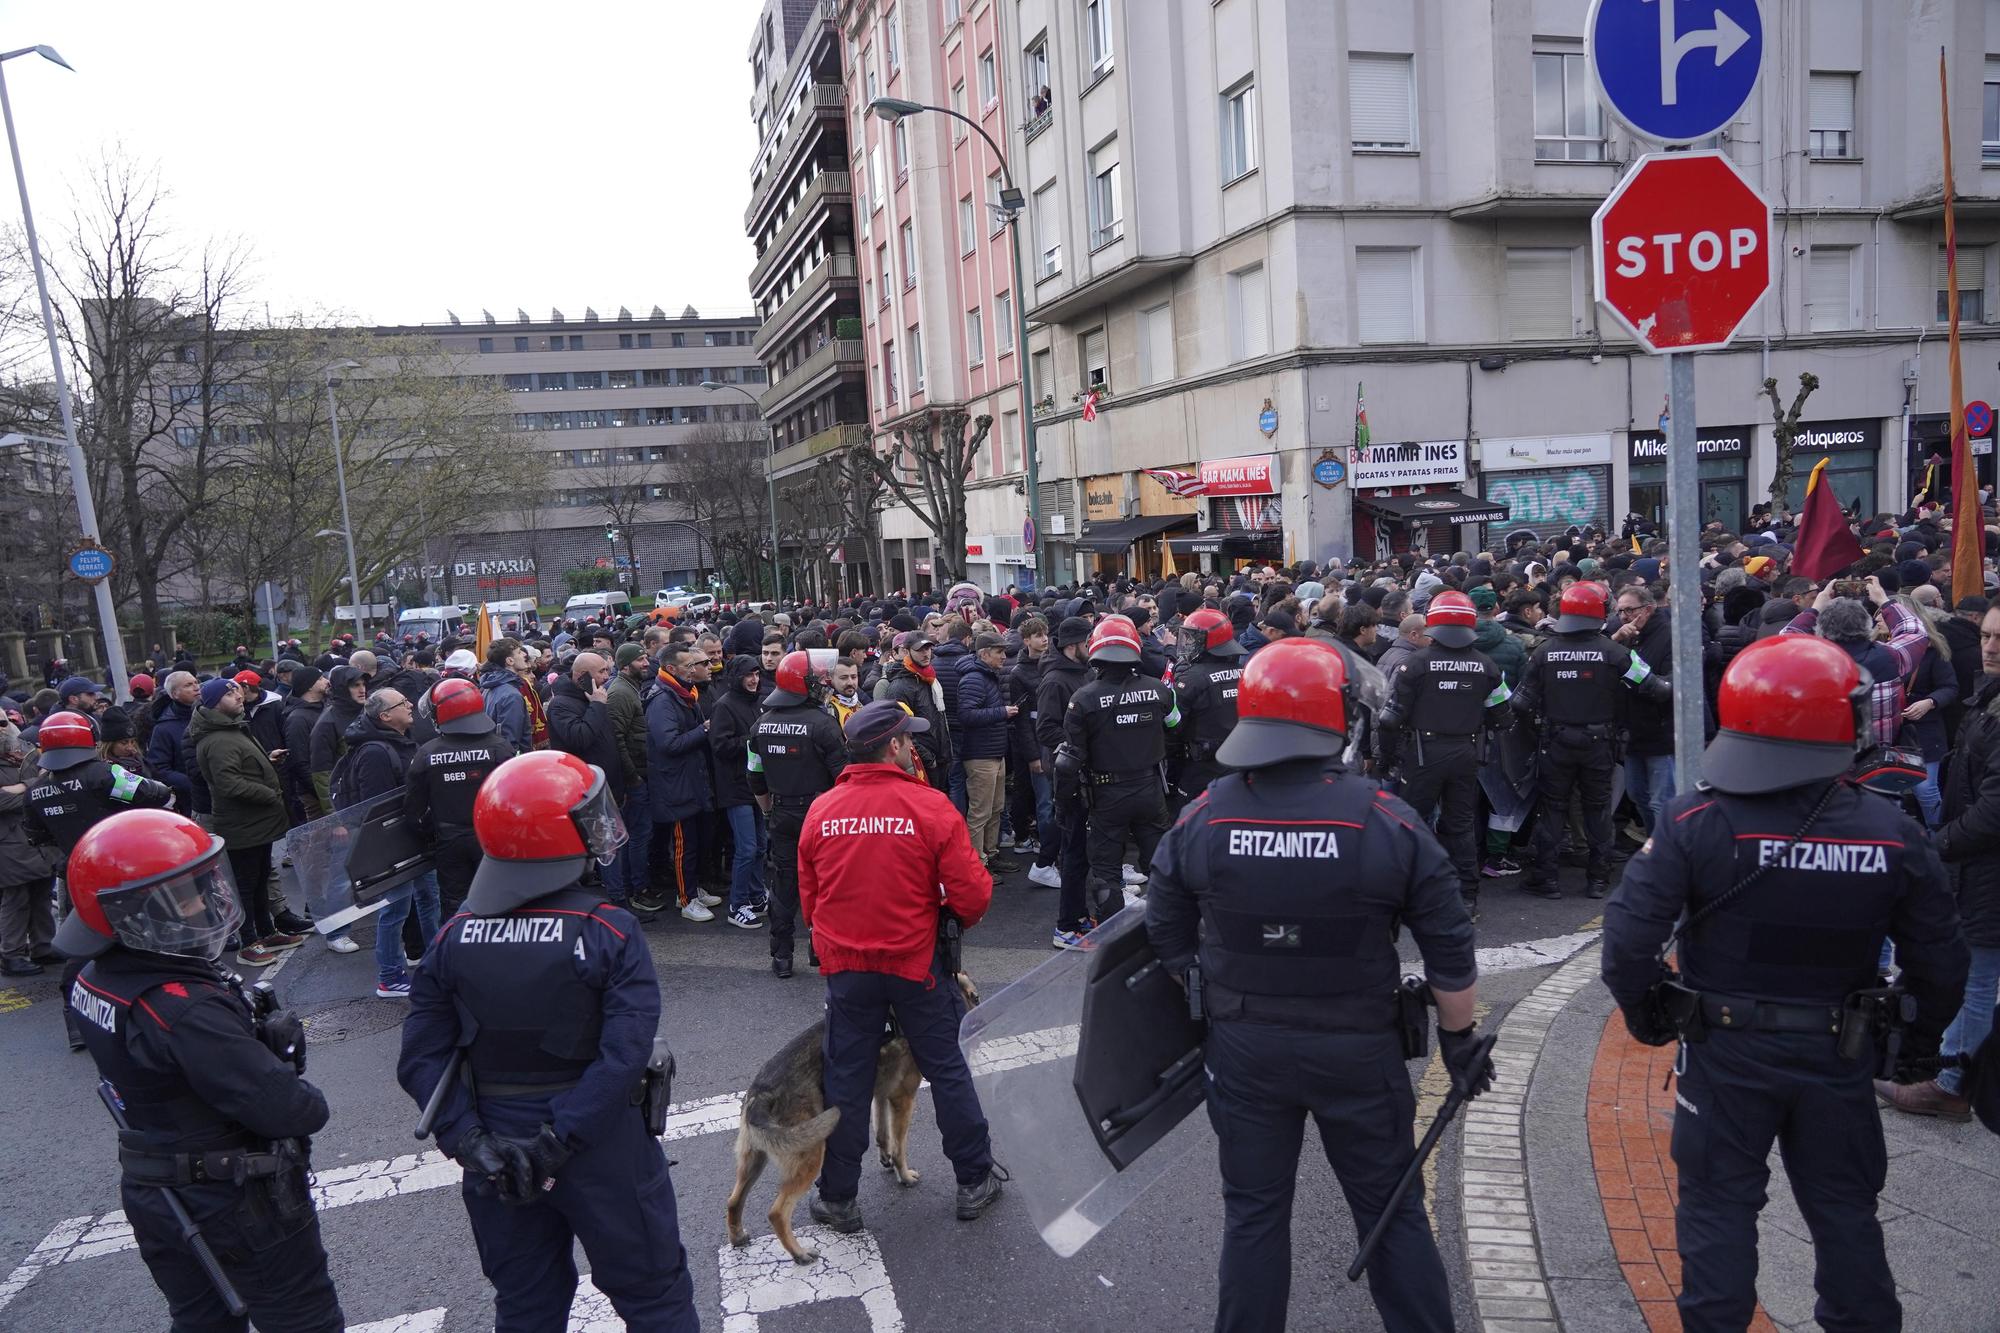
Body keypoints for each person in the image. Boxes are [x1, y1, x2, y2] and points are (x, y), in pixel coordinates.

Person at [1602, 636, 1969, 1333]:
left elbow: (1626, 943)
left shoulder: (1692, 820)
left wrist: (1652, 1014)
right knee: (1846, 1212)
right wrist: (1915, 1047)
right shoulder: (1893, 832)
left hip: (1725, 1053)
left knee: (1717, 1209)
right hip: (1840, 1051)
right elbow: (1943, 960)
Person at [1146, 639, 1488, 1333]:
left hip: (1244, 1048)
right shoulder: (1385, 818)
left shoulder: (1204, 815)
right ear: (1338, 717)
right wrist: (1459, 1041)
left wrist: (1200, 983)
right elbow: (1451, 946)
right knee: (1391, 1214)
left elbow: (1164, 923)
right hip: (1358, 1051)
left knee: (1253, 1216)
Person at [397, 751, 697, 1331]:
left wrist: (467, 1140)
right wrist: (561, 1136)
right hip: (596, 1139)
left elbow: (421, 1056)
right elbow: (624, 1053)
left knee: (526, 1303)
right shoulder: (609, 928)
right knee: (653, 1295)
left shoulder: (454, 935)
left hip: (495, 1139)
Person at [58, 809, 346, 1331]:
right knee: (305, 1318)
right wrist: (272, 1056)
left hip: (155, 1184)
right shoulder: (184, 1007)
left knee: (203, 1319)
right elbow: (294, 1110)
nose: (207, 902)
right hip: (230, 1194)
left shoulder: (95, 978)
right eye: (189, 893)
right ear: (136, 914)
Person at [797, 701, 1004, 1233]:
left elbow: (810, 897)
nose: (913, 746)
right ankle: (974, 1178)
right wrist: (947, 919)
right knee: (947, 1067)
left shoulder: (822, 809)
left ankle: (838, 1196)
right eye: (908, 739)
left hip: (848, 965)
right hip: (917, 961)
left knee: (846, 1077)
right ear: (893, 747)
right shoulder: (929, 806)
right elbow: (973, 894)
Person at [1883, 602, 2000, 1119]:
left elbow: (1994, 809)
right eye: (1990, 635)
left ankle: (1951, 1085)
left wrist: (1942, 842)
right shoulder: (1990, 699)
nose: (1992, 646)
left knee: (1977, 978)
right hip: (1977, 867)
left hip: (1987, 870)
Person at [25, 710, 177, 1048]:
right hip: (122, 871)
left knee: (81, 944)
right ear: (88, 739)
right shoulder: (102, 775)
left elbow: (36, 837)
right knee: (148, 934)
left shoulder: (34, 791)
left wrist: (68, 857)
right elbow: (153, 793)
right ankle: (157, 1007)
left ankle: (76, 1019)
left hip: (76, 877)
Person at [1514, 582, 1669, 902]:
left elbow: (1520, 703)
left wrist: (1538, 730)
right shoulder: (1615, 652)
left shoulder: (1545, 652)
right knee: (1597, 809)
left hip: (1555, 741)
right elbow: (1656, 688)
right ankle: (1598, 879)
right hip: (1599, 742)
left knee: (1553, 809)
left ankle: (1547, 878)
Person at [1376, 590, 1513, 916]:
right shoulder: (1487, 666)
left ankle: (1407, 894)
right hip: (1465, 752)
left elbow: (1390, 719)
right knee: (1461, 826)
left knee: (1410, 823)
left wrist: (1387, 759)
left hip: (1423, 753)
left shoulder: (1415, 665)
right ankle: (1467, 897)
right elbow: (1504, 715)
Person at [1062, 617, 1180, 924]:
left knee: (1106, 872)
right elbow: (1175, 726)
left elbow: (1069, 760)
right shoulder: (1158, 690)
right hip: (1150, 789)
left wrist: (1064, 805)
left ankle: (1112, 939)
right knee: (1159, 864)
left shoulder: (1083, 699)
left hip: (1107, 795)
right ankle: (1165, 924)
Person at [187, 676, 304, 968]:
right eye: (230, 695)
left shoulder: (230, 728)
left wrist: (265, 760)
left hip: (255, 824)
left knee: (261, 878)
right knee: (245, 885)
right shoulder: (216, 739)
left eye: (238, 693)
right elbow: (228, 783)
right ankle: (249, 943)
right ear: (215, 704)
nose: (239, 697)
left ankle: (267, 932)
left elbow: (239, 767)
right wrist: (269, 793)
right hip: (242, 825)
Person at [332, 690, 438, 999]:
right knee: (396, 910)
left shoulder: (400, 740)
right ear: (385, 717)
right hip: (396, 847)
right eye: (401, 704)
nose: (409, 705)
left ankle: (435, 961)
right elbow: (375, 809)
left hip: (413, 840)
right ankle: (389, 977)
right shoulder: (375, 752)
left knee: (429, 899)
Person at [748, 651, 846, 977]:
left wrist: (767, 811)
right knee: (824, 884)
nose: (824, 682)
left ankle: (781, 956)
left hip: (780, 813)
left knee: (783, 884)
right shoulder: (824, 724)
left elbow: (755, 777)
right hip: (820, 815)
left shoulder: (760, 725)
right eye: (817, 678)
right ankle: (820, 949)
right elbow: (844, 777)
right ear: (802, 683)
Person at [404, 678, 515, 921]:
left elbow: (413, 810)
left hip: (449, 840)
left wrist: (429, 835)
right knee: (500, 899)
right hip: (493, 840)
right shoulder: (501, 748)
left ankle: (458, 952)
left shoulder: (427, 753)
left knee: (455, 905)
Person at [644, 642, 719, 922]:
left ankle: (693, 889)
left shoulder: (682, 694)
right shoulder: (663, 699)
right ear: (671, 668)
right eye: (689, 666)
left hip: (690, 780)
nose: (694, 670)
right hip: (675, 785)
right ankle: (685, 899)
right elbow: (669, 743)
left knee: (697, 842)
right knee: (683, 846)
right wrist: (703, 730)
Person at [1037, 618, 1097, 942]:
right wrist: (1080, 743)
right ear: (1073, 645)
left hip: (1085, 774)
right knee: (1072, 852)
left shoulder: (1087, 673)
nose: (1093, 645)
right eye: (1088, 640)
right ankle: (1065, 926)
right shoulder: (1055, 681)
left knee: (1082, 853)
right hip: (1067, 777)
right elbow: (1045, 729)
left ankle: (1079, 914)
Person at [707, 653, 768, 930]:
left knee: (759, 846)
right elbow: (720, 745)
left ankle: (756, 896)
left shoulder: (756, 702)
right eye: (748, 674)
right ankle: (737, 905)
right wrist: (754, 740)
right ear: (737, 677)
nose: (754, 679)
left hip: (754, 785)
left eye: (756, 674)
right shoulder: (725, 706)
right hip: (734, 787)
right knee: (746, 848)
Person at [1611, 585, 1676, 833]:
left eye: (1629, 610)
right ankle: (1654, 842)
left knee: (1662, 801)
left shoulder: (1669, 635)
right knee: (1638, 796)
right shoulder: (1624, 635)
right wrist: (1616, 642)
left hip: (1660, 733)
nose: (1624, 616)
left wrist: (1629, 665)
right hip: (1632, 733)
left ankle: (1667, 854)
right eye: (1620, 611)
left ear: (1648, 609)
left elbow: (1667, 687)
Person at [1170, 607, 1247, 802]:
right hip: (1240, 764)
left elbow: (1173, 726)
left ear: (1207, 641)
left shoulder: (1191, 680)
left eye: (1192, 639)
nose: (1187, 644)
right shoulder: (1245, 672)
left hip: (1202, 769)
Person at [956, 632, 1018, 873]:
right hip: (980, 755)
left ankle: (990, 855)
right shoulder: (974, 679)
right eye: (999, 652)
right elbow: (967, 715)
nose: (1004, 656)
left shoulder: (987, 676)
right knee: (980, 812)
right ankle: (976, 865)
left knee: (995, 808)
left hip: (993, 752)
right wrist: (1002, 712)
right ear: (983, 654)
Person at [0, 720, 57, 976]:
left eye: (5, 722)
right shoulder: (20, 760)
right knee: (17, 898)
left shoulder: (22, 757)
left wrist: (23, 787)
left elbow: (49, 785)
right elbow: (4, 801)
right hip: (10, 841)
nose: (6, 727)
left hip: (33, 838)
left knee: (41, 893)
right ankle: (12, 953)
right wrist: (31, 785)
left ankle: (42, 945)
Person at [603, 643, 654, 915]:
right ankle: (636, 890)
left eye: (646, 657)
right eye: (641, 659)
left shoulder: (630, 688)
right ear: (625, 666)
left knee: (641, 834)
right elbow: (617, 739)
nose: (646, 663)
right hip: (634, 779)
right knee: (637, 835)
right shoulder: (620, 693)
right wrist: (632, 777)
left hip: (641, 773)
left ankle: (637, 886)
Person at [880, 634, 953, 791]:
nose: (926, 653)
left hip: (940, 758)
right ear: (907, 652)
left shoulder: (929, 677)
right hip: (922, 763)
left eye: (928, 648)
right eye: (920, 650)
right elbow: (900, 730)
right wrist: (928, 759)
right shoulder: (900, 686)